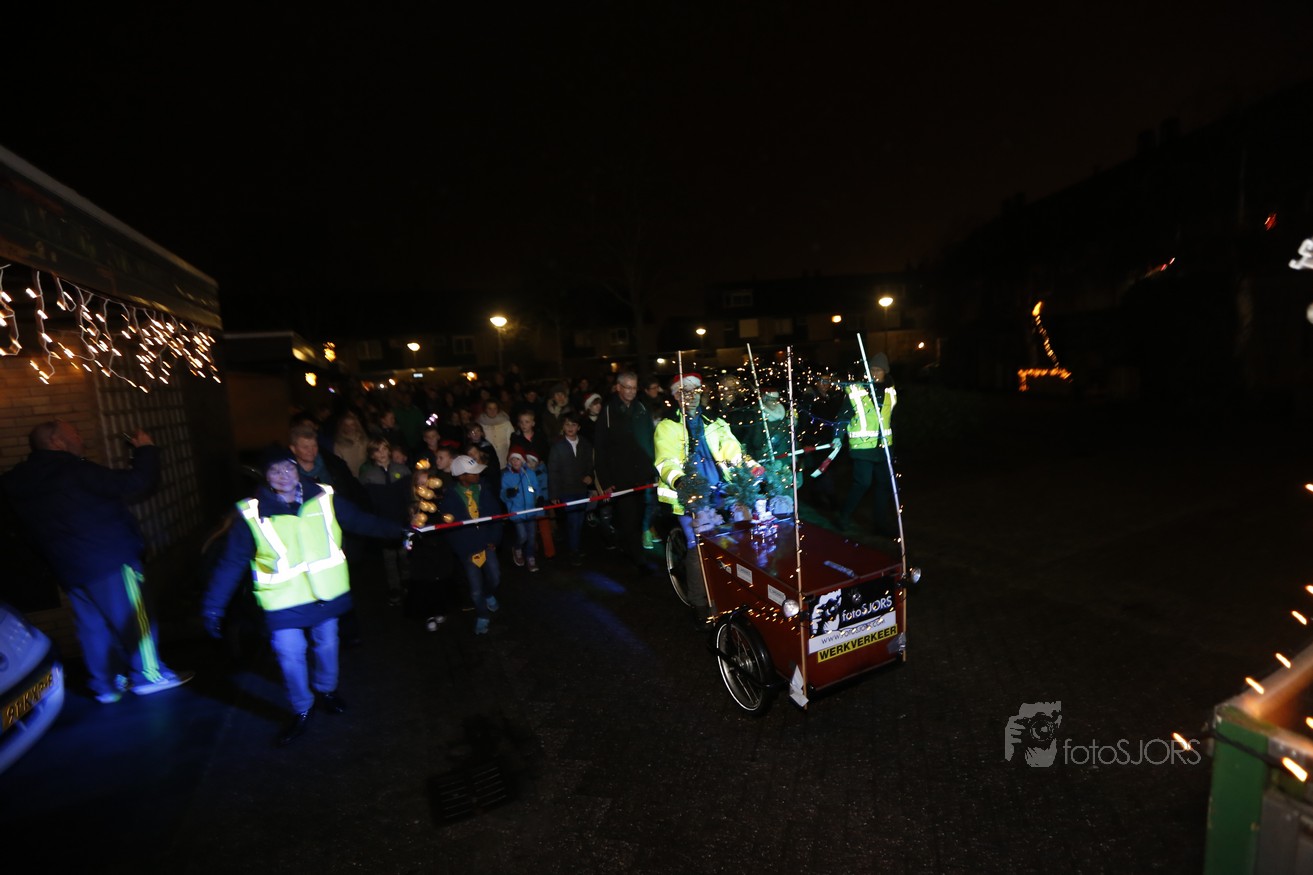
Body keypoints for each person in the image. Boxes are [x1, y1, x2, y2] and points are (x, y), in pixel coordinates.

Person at [201, 447, 409, 746]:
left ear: (297, 468)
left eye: (288, 468)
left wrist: (398, 530)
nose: (283, 476)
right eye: (274, 470)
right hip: (282, 598)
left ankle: (326, 689)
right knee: (290, 653)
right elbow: (232, 562)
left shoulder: (324, 496)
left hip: (324, 591)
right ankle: (302, 707)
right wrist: (213, 607)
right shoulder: (252, 513)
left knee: (328, 643)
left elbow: (360, 520)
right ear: (265, 476)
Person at [0, 420, 193, 703]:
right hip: (110, 560)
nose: (80, 438)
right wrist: (145, 450)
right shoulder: (74, 471)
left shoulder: (16, 482)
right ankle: (150, 676)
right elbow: (136, 482)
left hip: (68, 568)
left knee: (93, 628)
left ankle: (106, 685)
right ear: (56, 442)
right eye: (74, 433)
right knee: (135, 620)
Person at [653, 373, 754, 618]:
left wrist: (750, 467)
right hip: (689, 494)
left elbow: (731, 448)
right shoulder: (668, 426)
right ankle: (699, 603)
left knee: (746, 528)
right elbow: (665, 460)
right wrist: (680, 481)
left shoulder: (714, 421)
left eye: (695, 391)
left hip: (720, 487)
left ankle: (742, 588)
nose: (691, 397)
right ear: (676, 396)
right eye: (684, 392)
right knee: (698, 545)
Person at [592, 371, 657, 574]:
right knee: (629, 517)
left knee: (639, 515)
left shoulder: (641, 409)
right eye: (627, 387)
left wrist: (652, 468)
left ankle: (628, 545)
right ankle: (638, 558)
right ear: (618, 388)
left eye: (634, 387)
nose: (631, 391)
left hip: (641, 475)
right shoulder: (608, 412)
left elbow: (649, 440)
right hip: (620, 476)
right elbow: (600, 449)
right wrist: (605, 480)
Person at [438, 455, 505, 635]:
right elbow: (450, 530)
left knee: (495, 576)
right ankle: (482, 615)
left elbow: (496, 516)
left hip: (487, 543)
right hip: (467, 549)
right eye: (472, 473)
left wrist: (494, 539)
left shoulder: (484, 490)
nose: (477, 475)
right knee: (475, 589)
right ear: (461, 477)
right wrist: (461, 549)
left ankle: (488, 593)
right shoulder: (450, 498)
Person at [836, 352, 899, 540]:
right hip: (863, 447)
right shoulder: (856, 390)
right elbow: (843, 416)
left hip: (884, 447)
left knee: (884, 485)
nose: (874, 373)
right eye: (872, 369)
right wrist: (837, 436)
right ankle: (844, 516)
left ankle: (880, 524)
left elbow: (889, 418)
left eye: (878, 370)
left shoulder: (890, 391)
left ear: (885, 372)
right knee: (863, 483)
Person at [358, 437, 413, 607]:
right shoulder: (368, 476)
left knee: (405, 554)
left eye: (384, 449)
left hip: (403, 520)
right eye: (377, 450)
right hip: (383, 523)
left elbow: (410, 495)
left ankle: (407, 582)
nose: (381, 453)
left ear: (389, 450)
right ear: (372, 455)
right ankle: (394, 588)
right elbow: (366, 502)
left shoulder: (402, 470)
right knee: (389, 558)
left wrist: (412, 512)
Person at [548, 412, 594, 567]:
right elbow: (553, 471)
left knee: (579, 520)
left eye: (573, 424)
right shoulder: (557, 447)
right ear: (562, 426)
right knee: (573, 520)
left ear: (578, 427)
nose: (570, 427)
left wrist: (589, 475)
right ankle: (573, 550)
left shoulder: (585, 444)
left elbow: (589, 463)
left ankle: (575, 546)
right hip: (566, 490)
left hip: (581, 489)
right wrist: (554, 493)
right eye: (567, 424)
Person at [500, 445, 546, 573]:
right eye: (512, 459)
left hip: (530, 511)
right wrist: (507, 494)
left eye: (518, 459)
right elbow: (502, 495)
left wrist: (539, 497)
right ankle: (517, 548)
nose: (515, 462)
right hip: (517, 512)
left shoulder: (530, 474)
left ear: (523, 460)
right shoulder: (506, 476)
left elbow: (536, 488)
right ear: (509, 461)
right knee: (522, 536)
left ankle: (530, 557)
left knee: (531, 537)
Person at [476, 400, 514, 474]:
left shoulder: (506, 423)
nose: (492, 411)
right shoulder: (480, 424)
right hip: (488, 461)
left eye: (495, 408)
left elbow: (511, 440)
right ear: (485, 409)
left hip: (504, 459)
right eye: (489, 408)